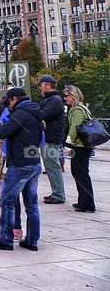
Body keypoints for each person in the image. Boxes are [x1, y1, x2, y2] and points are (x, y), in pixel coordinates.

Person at [0, 87, 44, 251]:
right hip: (34, 162)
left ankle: (5, 240)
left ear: (14, 100)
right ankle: (32, 241)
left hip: (20, 164)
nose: (8, 106)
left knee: (8, 202)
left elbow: (2, 132)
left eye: (9, 102)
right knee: (32, 205)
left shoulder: (20, 113)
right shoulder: (36, 112)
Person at [64, 85, 96, 213]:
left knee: (81, 174)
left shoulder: (77, 110)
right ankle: (83, 201)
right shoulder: (78, 108)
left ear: (73, 96)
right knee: (78, 173)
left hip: (80, 147)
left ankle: (88, 204)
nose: (64, 98)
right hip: (81, 146)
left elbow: (74, 128)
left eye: (66, 96)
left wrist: (67, 144)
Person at [37, 75, 67, 205]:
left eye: (41, 85)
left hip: (51, 137)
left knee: (53, 166)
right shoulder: (50, 99)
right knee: (50, 166)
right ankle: (56, 192)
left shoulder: (54, 100)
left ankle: (59, 195)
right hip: (48, 137)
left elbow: (43, 115)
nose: (39, 87)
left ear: (47, 85)